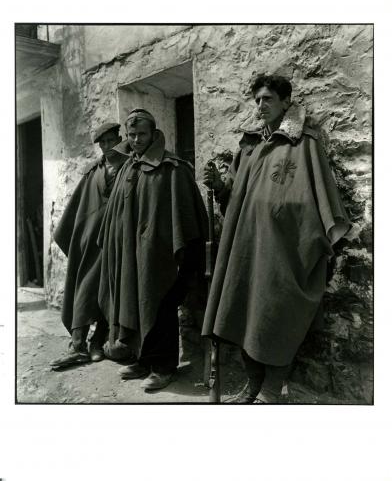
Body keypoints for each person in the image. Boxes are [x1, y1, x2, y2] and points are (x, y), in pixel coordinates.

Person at [202, 74, 351, 403]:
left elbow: (321, 199)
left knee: (276, 316)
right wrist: (219, 185)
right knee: (242, 312)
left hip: (283, 251)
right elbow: (234, 194)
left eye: (268, 99)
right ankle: (252, 384)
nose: (261, 105)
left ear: (286, 102)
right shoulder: (250, 145)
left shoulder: (304, 143)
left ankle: (271, 390)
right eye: (257, 100)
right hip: (245, 247)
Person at [97, 109, 208, 391]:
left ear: (154, 133)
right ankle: (143, 360)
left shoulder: (173, 168)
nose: (136, 140)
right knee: (136, 302)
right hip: (133, 254)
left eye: (142, 134)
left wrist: (184, 256)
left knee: (159, 307)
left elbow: (186, 215)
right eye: (132, 135)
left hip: (164, 257)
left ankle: (163, 367)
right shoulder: (128, 167)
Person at [50, 122, 131, 370]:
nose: (107, 147)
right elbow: (81, 205)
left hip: (118, 242)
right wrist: (78, 235)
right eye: (102, 143)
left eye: (110, 141)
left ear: (119, 138)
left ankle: (97, 342)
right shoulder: (94, 171)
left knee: (112, 292)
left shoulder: (130, 165)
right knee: (85, 288)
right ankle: (77, 346)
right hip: (93, 243)